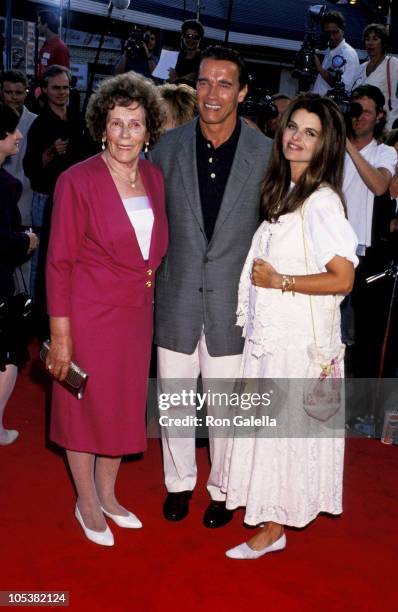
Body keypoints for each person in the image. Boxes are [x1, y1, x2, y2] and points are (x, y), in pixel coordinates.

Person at [221, 93, 358, 559]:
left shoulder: (321, 203)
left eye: (310, 132)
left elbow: (344, 277)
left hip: (297, 344)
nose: (296, 137)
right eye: (292, 127)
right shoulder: (286, 190)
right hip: (274, 336)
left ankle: (272, 526)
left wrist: (280, 280)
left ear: (325, 146)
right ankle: (269, 519)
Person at [151, 46, 272, 527]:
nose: (212, 94)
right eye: (204, 82)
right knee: (176, 402)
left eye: (225, 84)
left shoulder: (267, 154)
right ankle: (178, 484)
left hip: (234, 304)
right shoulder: (166, 148)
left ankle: (223, 489)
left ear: (242, 92)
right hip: (176, 294)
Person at [45, 73, 167, 546]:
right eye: (116, 123)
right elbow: (58, 263)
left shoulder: (154, 178)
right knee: (83, 409)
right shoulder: (77, 181)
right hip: (88, 318)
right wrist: (61, 335)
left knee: (120, 409)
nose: (124, 134)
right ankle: (87, 503)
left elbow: (150, 253)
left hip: (136, 317)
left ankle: (109, 494)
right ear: (101, 127)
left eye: (134, 124)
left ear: (148, 130)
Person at [344, 85, 397, 377]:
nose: (359, 117)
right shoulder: (331, 147)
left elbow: (379, 186)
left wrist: (349, 147)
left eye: (367, 111)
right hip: (330, 253)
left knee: (366, 340)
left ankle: (362, 414)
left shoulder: (384, 152)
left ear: (379, 117)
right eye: (355, 109)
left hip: (367, 258)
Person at [0, 105, 38, 446]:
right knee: (8, 353)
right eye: (12, 130)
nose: (19, 135)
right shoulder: (6, 185)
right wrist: (27, 240)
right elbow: (2, 239)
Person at [1, 71, 37, 291]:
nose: (13, 97)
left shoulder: (34, 122)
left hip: (24, 199)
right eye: (8, 92)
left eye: (18, 92)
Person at [353, 24, 398, 130]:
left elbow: (396, 102)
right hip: (361, 128)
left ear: (383, 42)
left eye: (375, 39)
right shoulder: (361, 68)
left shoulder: (393, 64)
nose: (370, 43)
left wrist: (389, 130)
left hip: (384, 129)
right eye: (367, 39)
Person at [312, 10, 359, 97]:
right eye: (328, 32)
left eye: (335, 32)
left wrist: (319, 68)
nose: (331, 37)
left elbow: (342, 89)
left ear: (342, 31)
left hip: (331, 108)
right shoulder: (329, 51)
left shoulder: (348, 53)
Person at [37, 9, 70, 79]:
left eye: (39, 23)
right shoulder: (45, 46)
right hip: (43, 88)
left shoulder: (60, 47)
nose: (37, 26)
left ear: (45, 25)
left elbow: (66, 75)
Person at [168, 20, 204, 84]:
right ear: (183, 37)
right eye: (188, 36)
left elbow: (193, 75)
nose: (191, 39)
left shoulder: (203, 58)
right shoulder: (178, 56)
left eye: (195, 37)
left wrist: (176, 80)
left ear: (200, 39)